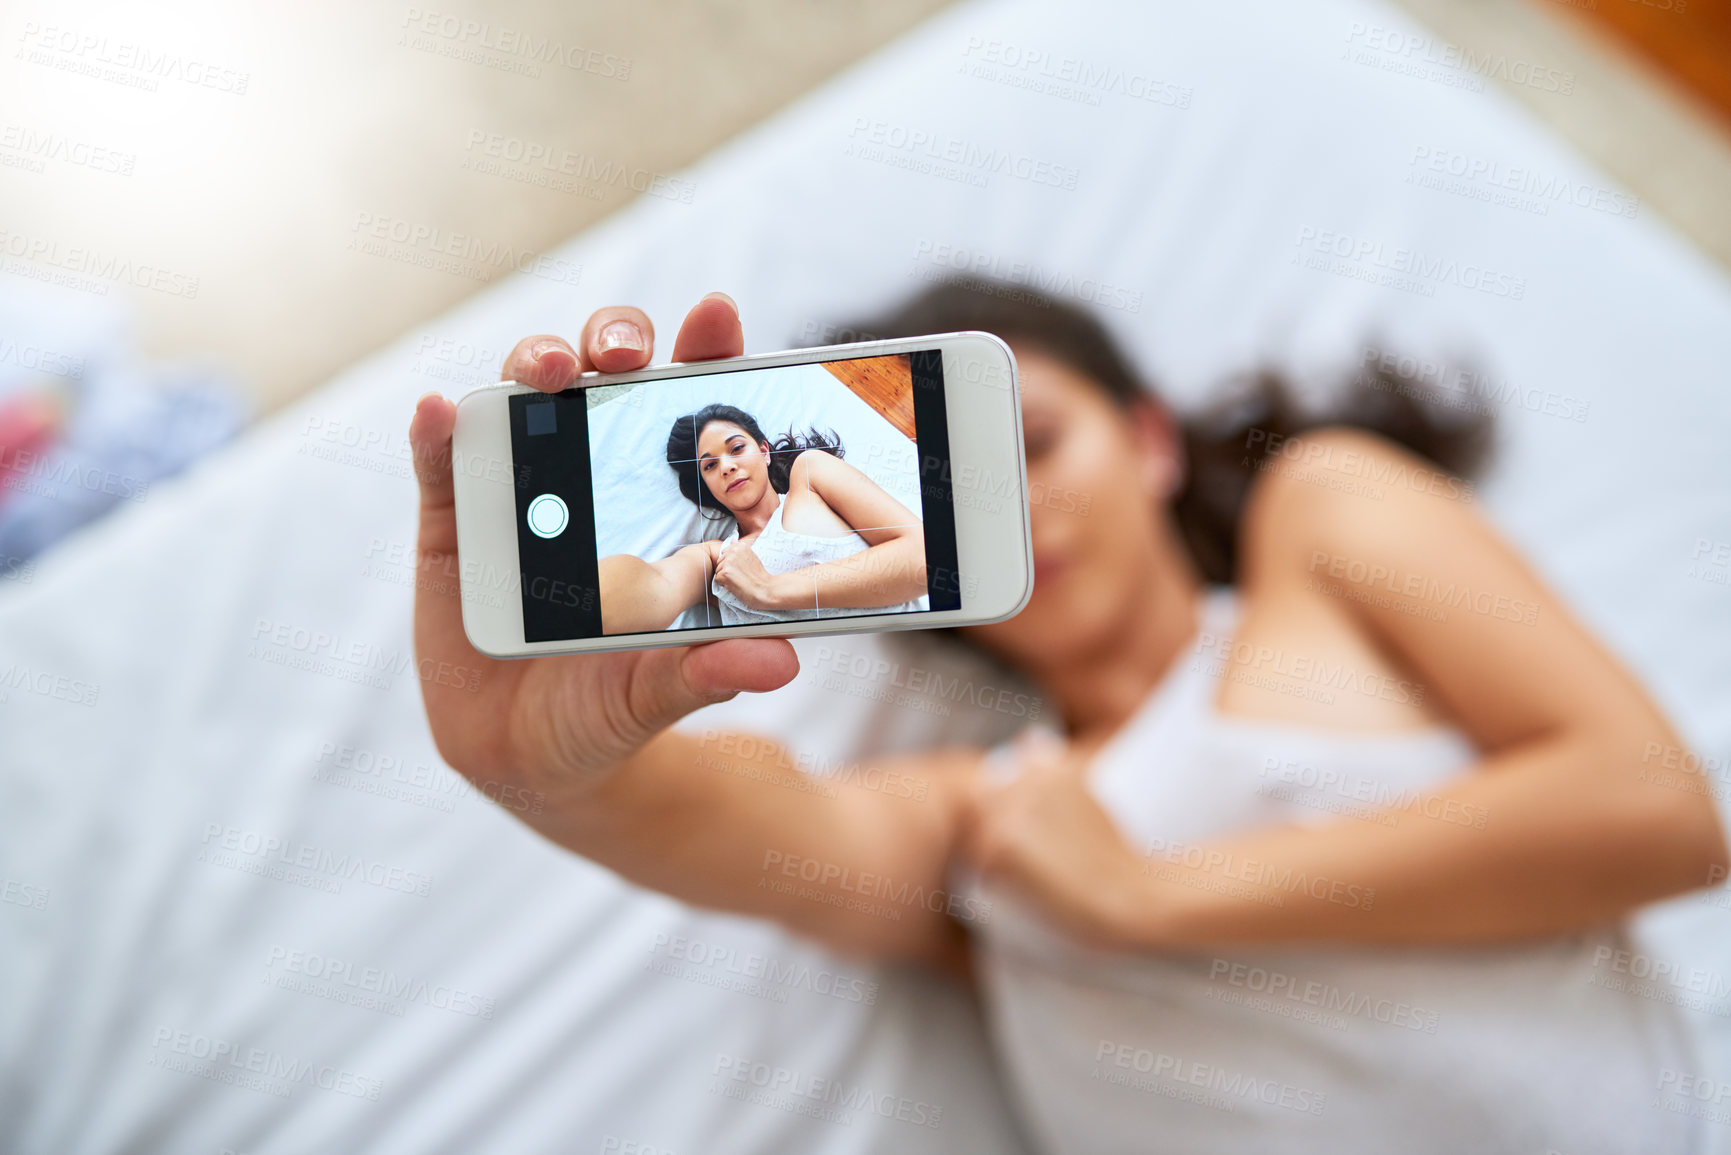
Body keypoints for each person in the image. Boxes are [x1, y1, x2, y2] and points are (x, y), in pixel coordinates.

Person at [407, 289, 1728, 1153]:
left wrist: (1150, 898)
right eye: (944, 473)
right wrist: (538, 773)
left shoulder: (1321, 532)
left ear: (1148, 441)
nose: (1017, 503)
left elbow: (1655, 816)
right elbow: (762, 824)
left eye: (1032, 440)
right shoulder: (988, 808)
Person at [596, 401, 927, 634]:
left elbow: (925, 558)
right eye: (710, 465)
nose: (726, 466)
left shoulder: (811, 475)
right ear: (708, 487)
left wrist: (769, 588)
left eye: (737, 448)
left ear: (765, 452)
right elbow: (657, 585)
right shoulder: (719, 558)